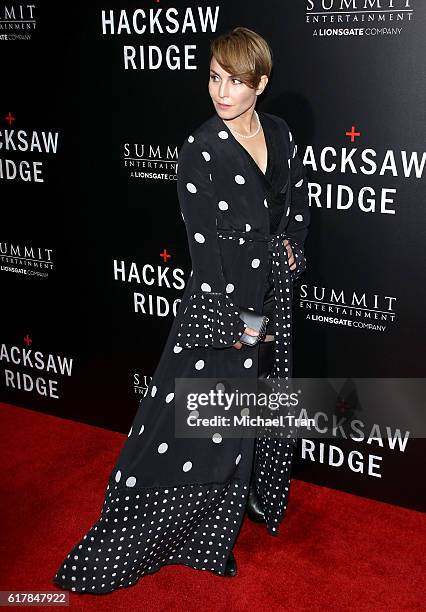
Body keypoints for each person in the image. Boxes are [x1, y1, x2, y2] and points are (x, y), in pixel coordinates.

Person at [52, 26, 310, 594]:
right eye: (214, 78)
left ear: (260, 84)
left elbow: (295, 204)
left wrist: (291, 249)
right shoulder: (200, 150)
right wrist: (239, 321)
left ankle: (248, 502)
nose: (221, 92)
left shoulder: (283, 135)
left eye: (235, 82)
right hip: (226, 306)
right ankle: (183, 530)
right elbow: (205, 249)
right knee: (192, 418)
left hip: (275, 293)